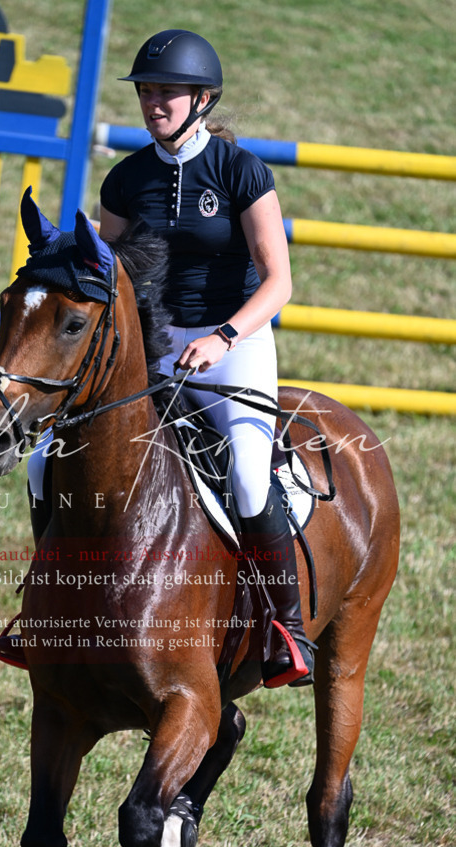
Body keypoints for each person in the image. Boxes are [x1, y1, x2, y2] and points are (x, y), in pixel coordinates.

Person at [98, 29, 314, 687]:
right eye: (146, 91)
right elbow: (110, 281)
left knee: (247, 474)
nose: (152, 102)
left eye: (167, 91)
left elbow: (279, 281)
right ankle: (44, 608)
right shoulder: (125, 179)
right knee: (51, 461)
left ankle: (285, 629)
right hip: (156, 349)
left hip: (235, 346)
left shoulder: (241, 171)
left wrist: (223, 336)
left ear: (202, 98)